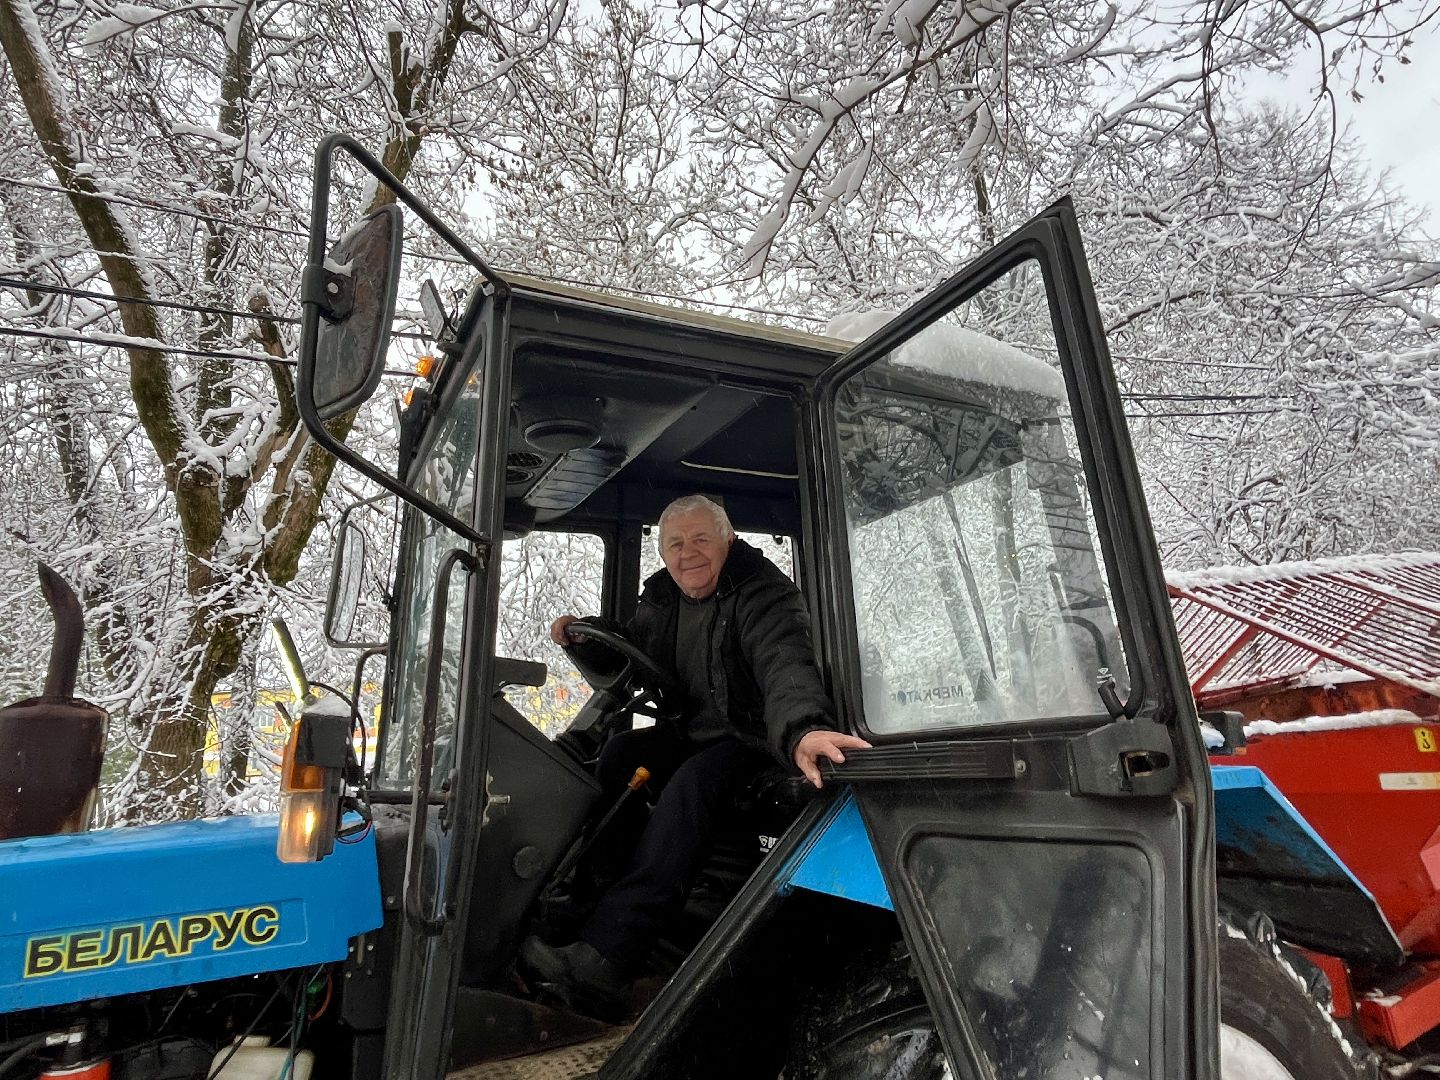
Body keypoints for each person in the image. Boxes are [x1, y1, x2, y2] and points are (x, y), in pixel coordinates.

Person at [518, 494, 869, 1020]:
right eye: (675, 544)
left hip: (756, 742)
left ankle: (607, 956)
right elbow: (632, 655)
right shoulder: (664, 598)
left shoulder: (763, 594)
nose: (688, 554)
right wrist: (584, 644)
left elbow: (784, 665)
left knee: (691, 785)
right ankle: (585, 908)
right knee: (619, 755)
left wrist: (803, 731)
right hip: (694, 734)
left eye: (701, 539)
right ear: (662, 553)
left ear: (728, 539)